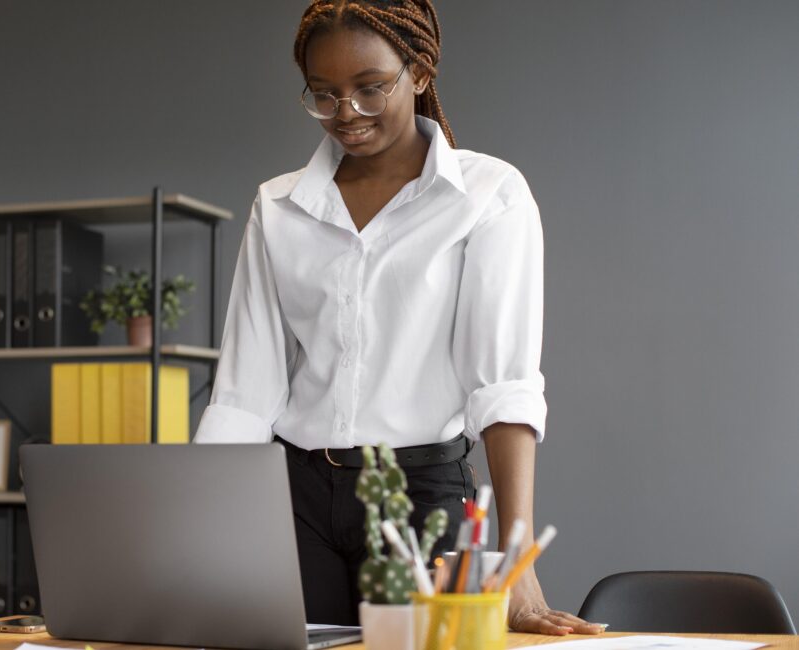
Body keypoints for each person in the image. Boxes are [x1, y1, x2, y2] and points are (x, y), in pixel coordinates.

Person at [193, 0, 605, 636]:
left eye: (368, 89)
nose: (346, 114)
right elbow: (246, 392)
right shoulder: (277, 205)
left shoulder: (489, 195)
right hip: (292, 498)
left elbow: (502, 388)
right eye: (324, 95)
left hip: (419, 498)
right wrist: (200, 533)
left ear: (417, 71)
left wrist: (515, 555)